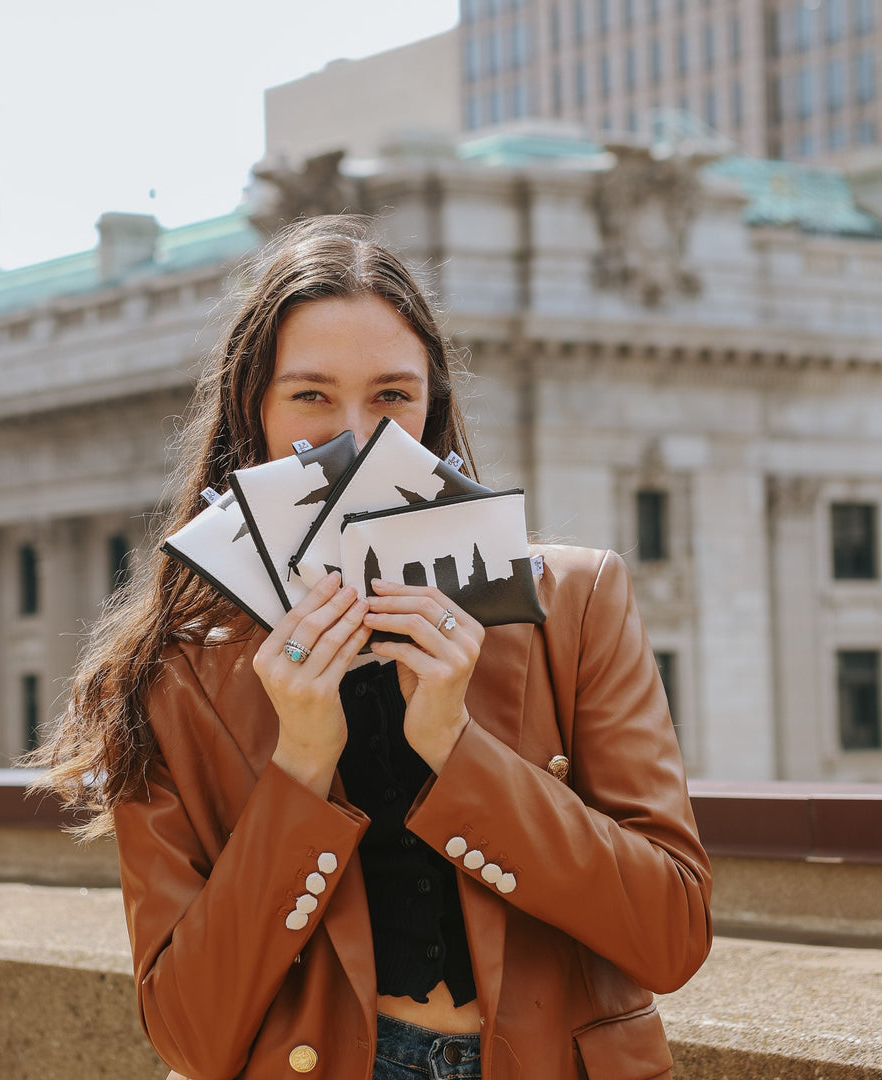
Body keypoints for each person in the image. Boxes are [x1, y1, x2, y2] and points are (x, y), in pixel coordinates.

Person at [35, 215, 712, 1080]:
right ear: (257, 410)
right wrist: (301, 768)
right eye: (311, 396)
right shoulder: (176, 674)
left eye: (391, 396)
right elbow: (187, 1034)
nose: (353, 437)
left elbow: (673, 936)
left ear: (431, 410)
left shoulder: (573, 605)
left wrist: (456, 749)